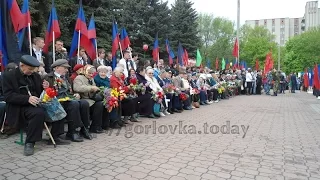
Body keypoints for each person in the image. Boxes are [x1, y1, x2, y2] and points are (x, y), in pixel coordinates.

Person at [2, 55, 64, 156]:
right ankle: (30, 142)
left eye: (33, 70)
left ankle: (56, 135)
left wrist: (45, 88)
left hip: (35, 103)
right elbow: (8, 96)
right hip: (18, 107)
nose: (31, 72)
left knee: (57, 107)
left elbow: (39, 91)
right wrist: (27, 99)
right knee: (38, 113)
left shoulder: (35, 76)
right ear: (21, 65)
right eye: (30, 69)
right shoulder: (8, 76)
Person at [44, 59, 91, 141]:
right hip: (56, 101)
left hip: (68, 99)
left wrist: (75, 94)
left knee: (84, 103)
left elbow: (70, 91)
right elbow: (46, 92)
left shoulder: (66, 78)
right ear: (57, 68)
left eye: (67, 68)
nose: (66, 70)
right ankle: (72, 132)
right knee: (74, 104)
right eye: (65, 68)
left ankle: (84, 129)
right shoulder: (48, 77)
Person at [73, 65, 106, 133]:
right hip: (82, 98)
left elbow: (93, 87)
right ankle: (86, 127)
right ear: (85, 71)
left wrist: (97, 89)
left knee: (100, 104)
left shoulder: (91, 78)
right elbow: (77, 88)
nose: (91, 75)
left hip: (90, 98)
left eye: (92, 73)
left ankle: (96, 126)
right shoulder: (78, 78)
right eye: (89, 73)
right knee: (90, 105)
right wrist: (91, 88)